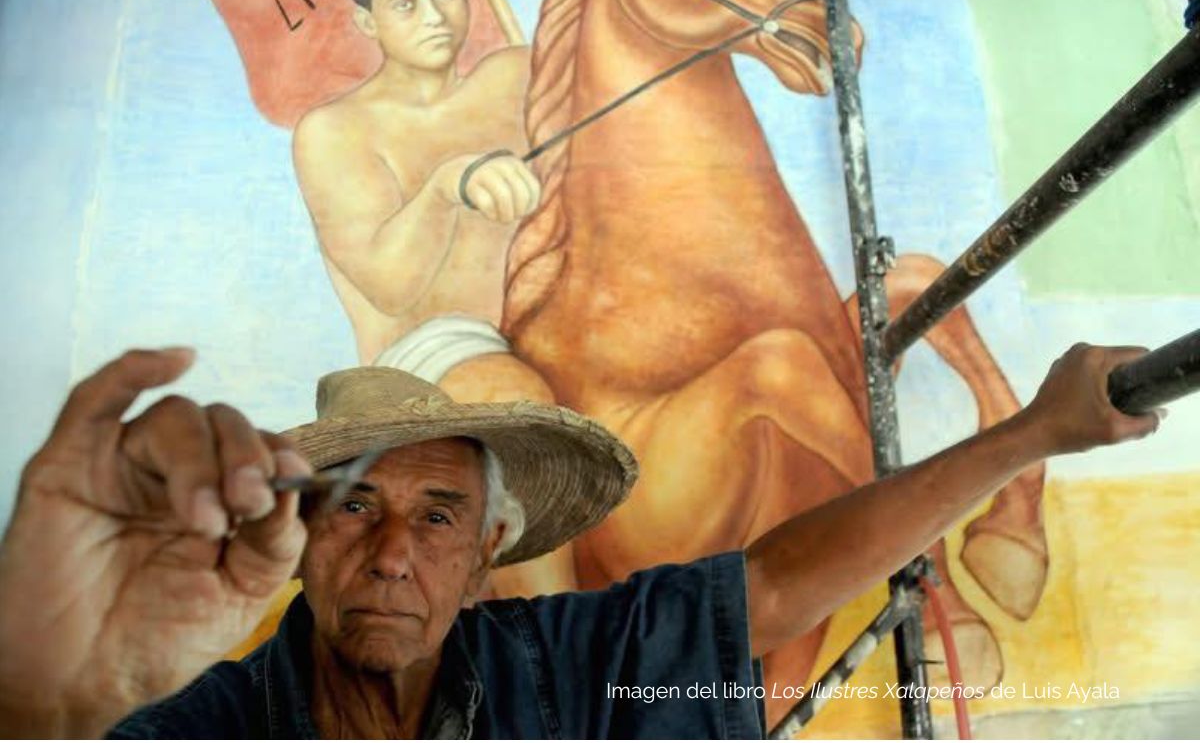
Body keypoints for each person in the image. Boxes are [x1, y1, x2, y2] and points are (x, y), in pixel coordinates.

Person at [0, 342, 1163, 737]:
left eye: (438, 514)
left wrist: (1030, 433)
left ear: (486, 555)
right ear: (297, 535)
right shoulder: (177, 719)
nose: (394, 550)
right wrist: (41, 701)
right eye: (352, 504)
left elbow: (767, 587)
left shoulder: (561, 667)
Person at [292, 0, 551, 406]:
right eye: (405, 3)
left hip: (547, 316)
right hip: (431, 350)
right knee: (513, 396)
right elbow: (391, 288)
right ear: (368, 22)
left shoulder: (517, 74)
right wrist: (445, 187)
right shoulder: (335, 130)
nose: (434, 17)